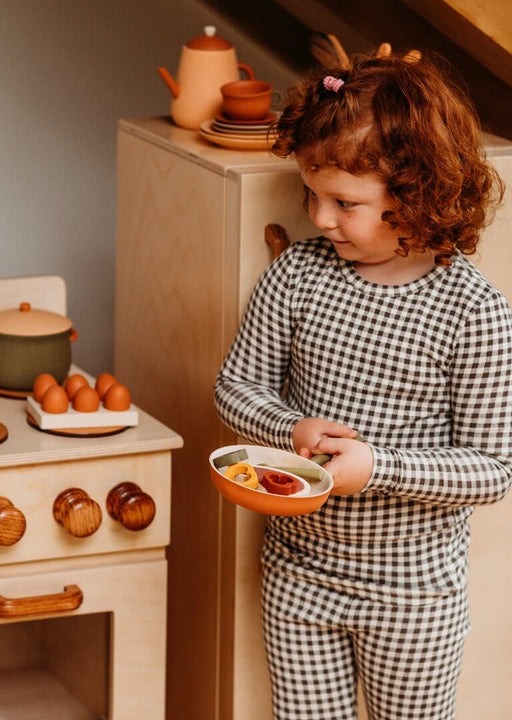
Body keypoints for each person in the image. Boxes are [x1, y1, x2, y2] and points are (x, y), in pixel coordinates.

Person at [214, 50, 512, 720]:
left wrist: (377, 467)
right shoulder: (297, 275)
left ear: (420, 194)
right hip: (299, 575)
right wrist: (288, 428)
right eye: (311, 196)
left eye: (345, 203)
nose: (320, 219)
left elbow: (493, 470)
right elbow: (235, 388)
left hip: (414, 595)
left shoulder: (474, 312)